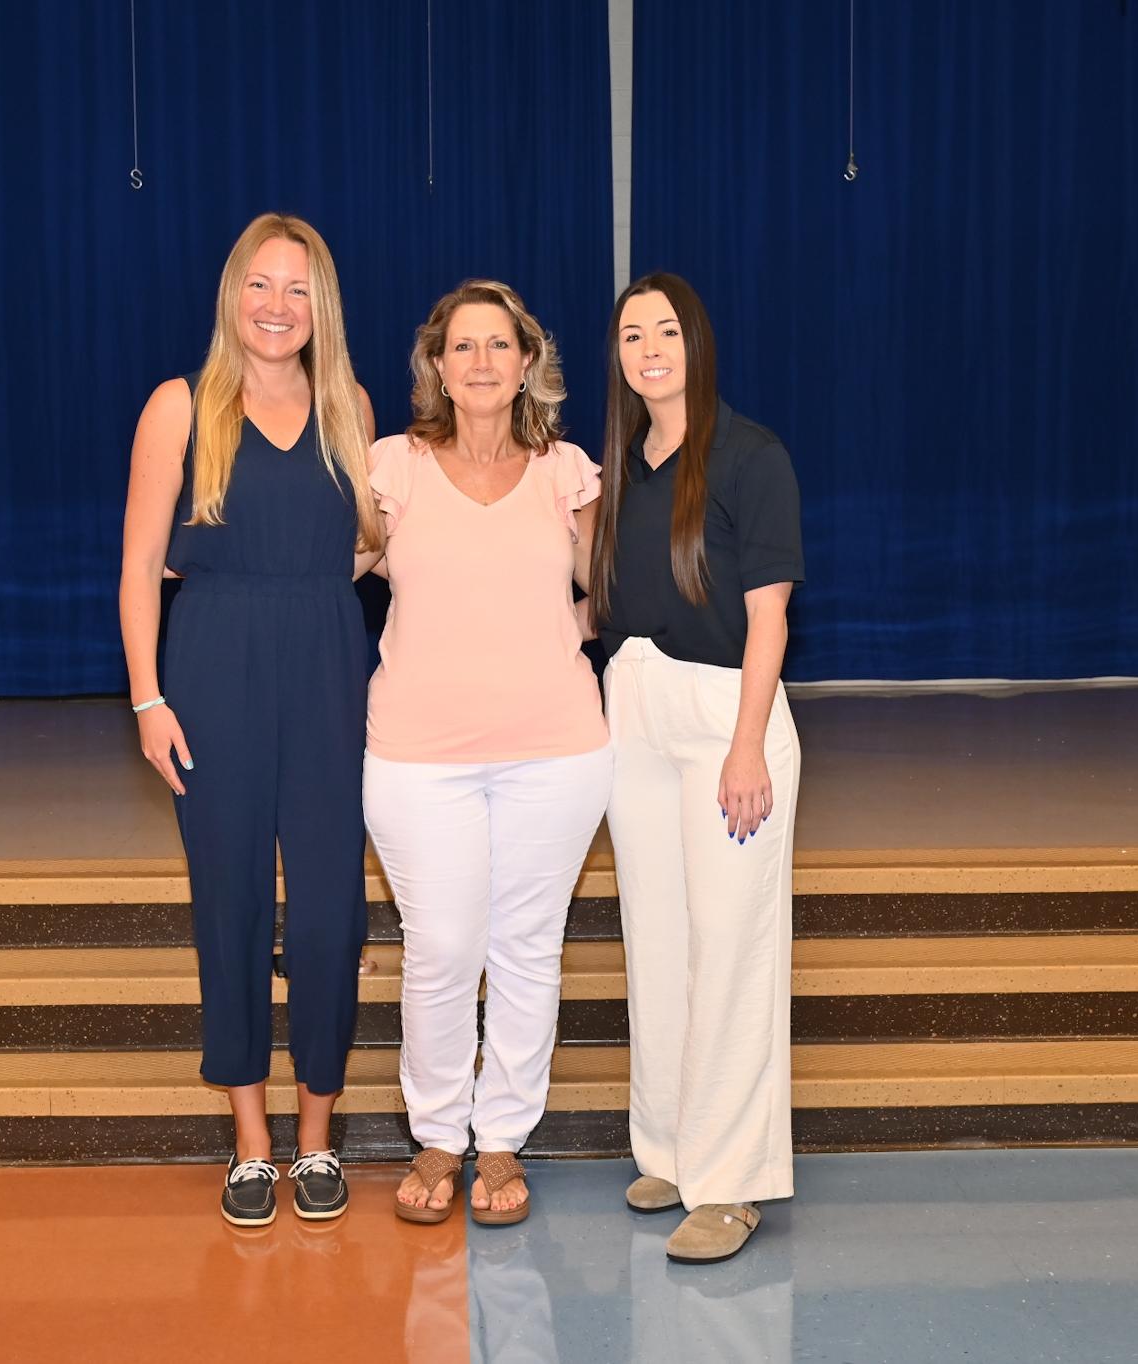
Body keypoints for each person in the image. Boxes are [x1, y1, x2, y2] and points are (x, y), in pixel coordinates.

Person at [119, 213, 380, 1228]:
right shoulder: (179, 407)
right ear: (233, 294)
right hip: (213, 666)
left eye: (297, 288)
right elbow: (141, 566)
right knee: (227, 902)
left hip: (325, 664)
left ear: (322, 305)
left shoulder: (348, 405)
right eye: (260, 285)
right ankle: (252, 1144)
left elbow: (364, 547)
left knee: (327, 913)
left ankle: (316, 1134)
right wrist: (148, 698)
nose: (277, 305)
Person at [364, 280, 611, 1227]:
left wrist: (558, 630)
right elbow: (320, 568)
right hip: (418, 757)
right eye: (461, 346)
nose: (480, 361)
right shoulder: (394, 467)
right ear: (436, 364)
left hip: (555, 752)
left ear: (526, 362)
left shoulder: (565, 471)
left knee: (526, 948)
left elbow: (613, 590)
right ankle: (437, 1132)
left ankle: (501, 1136)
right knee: (442, 947)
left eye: (498, 345)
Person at [590, 272, 804, 1264]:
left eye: (666, 330)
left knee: (730, 945)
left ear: (697, 343)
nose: (649, 348)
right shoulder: (622, 467)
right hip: (634, 708)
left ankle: (732, 1182)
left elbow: (769, 617)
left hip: (725, 716)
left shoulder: (751, 456)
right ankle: (673, 1149)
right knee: (659, 937)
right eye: (632, 333)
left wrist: (747, 743)